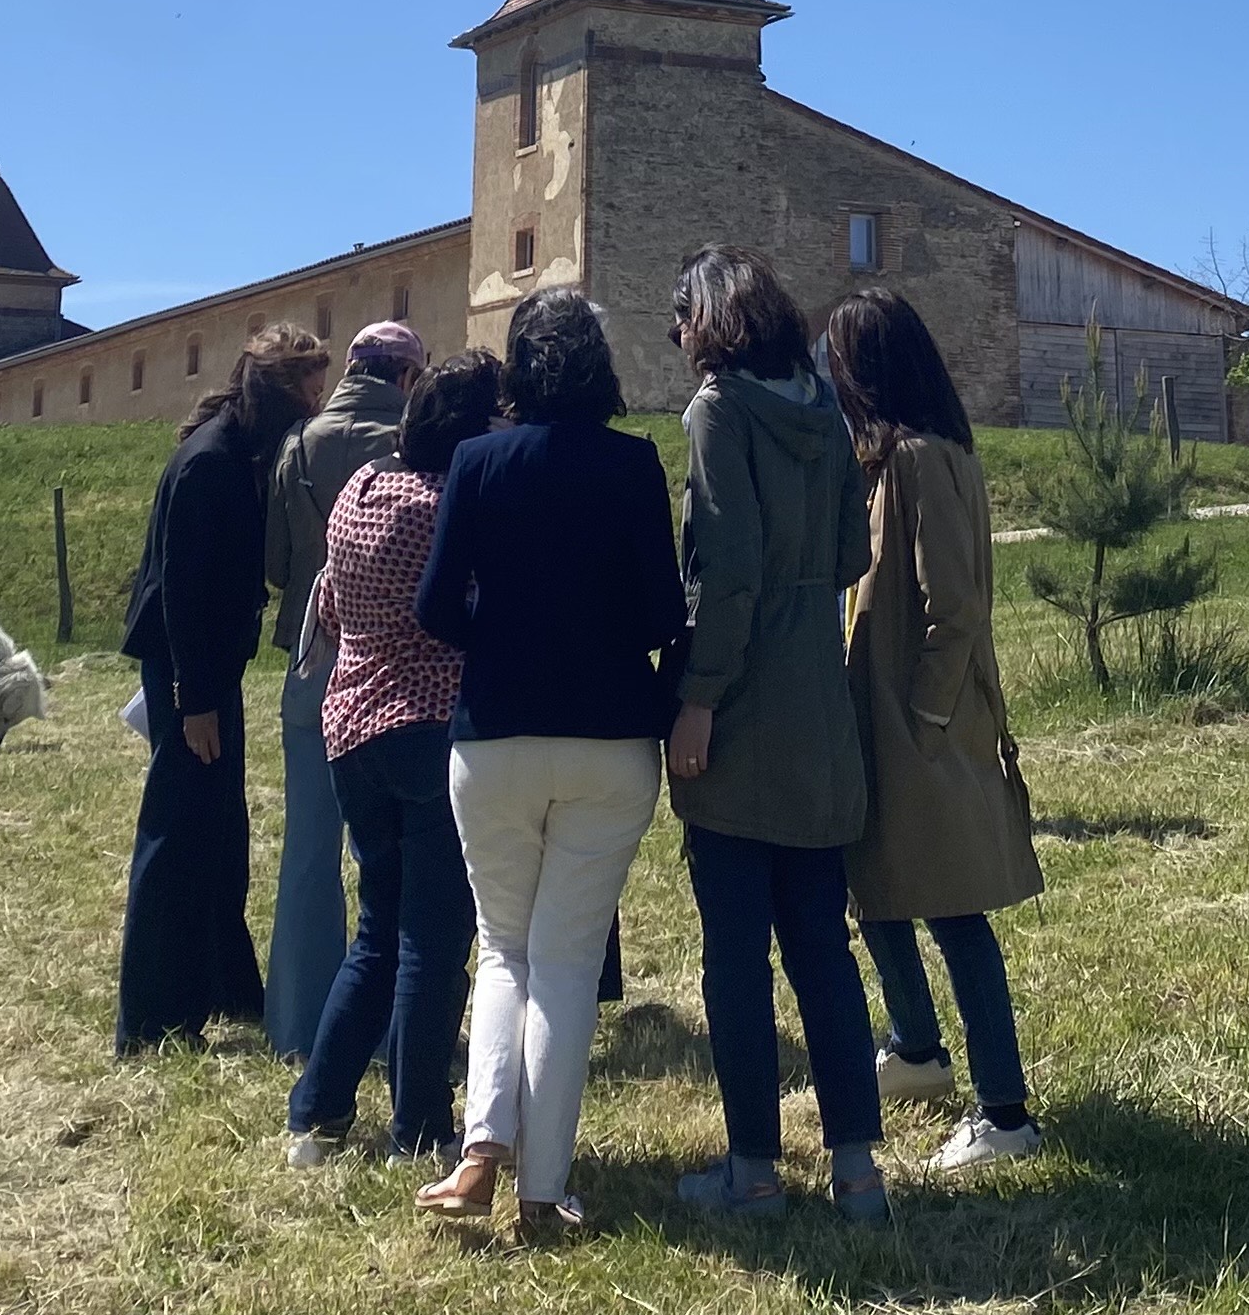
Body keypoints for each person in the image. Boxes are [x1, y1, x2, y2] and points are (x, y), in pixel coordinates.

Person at [412, 290, 685, 1245]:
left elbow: (435, 605)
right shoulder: (634, 462)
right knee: (565, 962)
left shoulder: (477, 462)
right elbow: (664, 614)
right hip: (610, 737)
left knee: (503, 948)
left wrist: (502, 638)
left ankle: (480, 1150)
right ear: (600, 367)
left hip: (494, 733)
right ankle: (543, 1190)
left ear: (518, 369)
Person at [666, 246, 890, 1224]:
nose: (676, 335)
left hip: (744, 697)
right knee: (822, 951)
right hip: (818, 700)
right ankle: (859, 1174)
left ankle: (753, 1172)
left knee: (734, 958)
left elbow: (728, 569)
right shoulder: (823, 408)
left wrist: (699, 697)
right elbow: (848, 553)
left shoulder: (717, 411)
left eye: (680, 316)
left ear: (710, 318)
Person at [825, 287, 1045, 1172]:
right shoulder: (894, 462)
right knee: (872, 884)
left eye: (840, 361)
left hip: (923, 728)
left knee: (955, 912)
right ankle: (916, 1049)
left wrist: (925, 715)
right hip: (883, 724)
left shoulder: (923, 459)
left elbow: (953, 607)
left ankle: (1006, 1114)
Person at [283, 350, 502, 1167]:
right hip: (428, 727)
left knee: (378, 930)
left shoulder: (362, 490)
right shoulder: (450, 507)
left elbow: (330, 606)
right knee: (433, 941)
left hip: (351, 725)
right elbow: (471, 611)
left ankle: (317, 1115)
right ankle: (420, 1127)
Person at [116, 322, 331, 1054]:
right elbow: (183, 593)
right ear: (278, 392)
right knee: (177, 833)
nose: (316, 404)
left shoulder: (236, 451)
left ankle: (224, 985)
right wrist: (195, 701)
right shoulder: (209, 463)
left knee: (219, 827)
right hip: (190, 669)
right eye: (309, 391)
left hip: (210, 667)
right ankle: (151, 1019)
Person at [263, 319, 427, 1059]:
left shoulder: (299, 443)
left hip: (312, 661)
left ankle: (298, 1024)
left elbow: (277, 562)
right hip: (394, 674)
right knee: (387, 863)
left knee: (307, 851)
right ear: (406, 376)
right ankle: (387, 1030)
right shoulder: (412, 443)